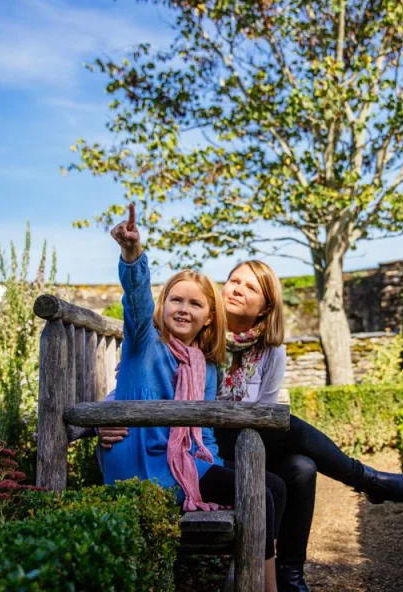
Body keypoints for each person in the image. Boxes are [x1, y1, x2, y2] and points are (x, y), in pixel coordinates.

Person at [101, 254, 403, 592]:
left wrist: (212, 457)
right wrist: (104, 418)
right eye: (235, 281)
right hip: (156, 454)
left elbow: (255, 420)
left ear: (264, 307)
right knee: (291, 430)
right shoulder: (165, 343)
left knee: (299, 468)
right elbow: (136, 344)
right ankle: (366, 480)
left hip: (211, 447)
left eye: (250, 287)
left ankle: (289, 578)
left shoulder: (223, 358)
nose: (237, 289)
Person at [103, 204, 285, 592]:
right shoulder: (144, 346)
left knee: (271, 489)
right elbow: (135, 301)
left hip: (185, 467)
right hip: (141, 468)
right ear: (163, 305)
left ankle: (253, 577)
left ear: (208, 318)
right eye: (176, 300)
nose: (183, 309)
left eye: (195, 304)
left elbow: (206, 438)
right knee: (263, 496)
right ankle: (268, 589)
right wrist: (132, 255)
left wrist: (215, 470)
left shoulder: (206, 367)